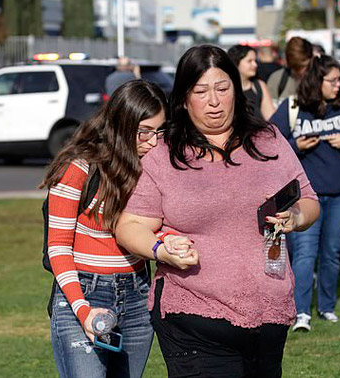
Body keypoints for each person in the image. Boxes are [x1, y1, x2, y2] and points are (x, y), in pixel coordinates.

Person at [115, 45, 320, 377]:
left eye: (223, 89)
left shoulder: (269, 141)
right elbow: (131, 225)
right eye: (201, 91)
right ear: (182, 98)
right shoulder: (164, 156)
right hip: (193, 317)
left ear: (236, 91)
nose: (214, 101)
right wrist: (161, 250)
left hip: (269, 311)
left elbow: (309, 201)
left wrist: (296, 217)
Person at [40, 80, 168, 377]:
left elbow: (154, 227)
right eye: (144, 132)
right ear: (121, 126)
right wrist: (83, 310)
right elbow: (57, 247)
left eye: (160, 131)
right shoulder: (80, 167)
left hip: (137, 294)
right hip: (83, 293)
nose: (153, 142)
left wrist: (169, 241)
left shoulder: (153, 169)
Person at [270, 55, 340, 331]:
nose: (339, 85)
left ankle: (326, 306)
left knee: (331, 253)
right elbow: (268, 143)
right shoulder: (293, 107)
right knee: (304, 254)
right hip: (304, 197)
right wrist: (297, 145)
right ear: (317, 81)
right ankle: (302, 312)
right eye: (333, 80)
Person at [228, 44, 276, 120]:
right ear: (236, 63)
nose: (255, 65)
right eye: (249, 61)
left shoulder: (259, 86)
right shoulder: (226, 88)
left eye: (255, 61)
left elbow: (271, 117)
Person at [267, 36, 313, 105]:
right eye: (295, 67)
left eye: (303, 66)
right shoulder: (277, 79)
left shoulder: (320, 79)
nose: (300, 71)